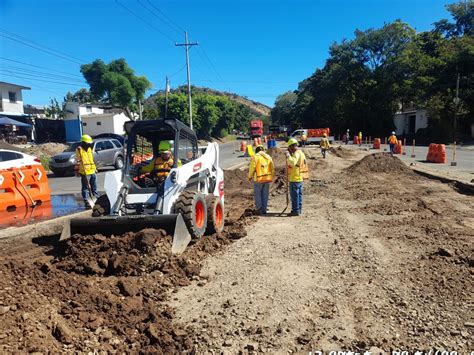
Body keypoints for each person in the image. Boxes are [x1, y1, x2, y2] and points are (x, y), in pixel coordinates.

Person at [248, 145, 274, 215]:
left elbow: (252, 168)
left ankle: (259, 209)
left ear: (256, 151)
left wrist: (250, 176)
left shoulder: (255, 157)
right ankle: (264, 209)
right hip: (267, 179)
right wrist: (271, 176)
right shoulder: (268, 157)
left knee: (258, 194)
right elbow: (272, 168)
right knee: (265, 194)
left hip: (258, 179)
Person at [286, 138, 309, 216]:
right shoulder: (301, 153)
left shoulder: (296, 153)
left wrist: (288, 156)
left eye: (289, 148)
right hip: (299, 177)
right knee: (299, 195)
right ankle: (299, 209)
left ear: (292, 146)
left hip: (295, 177)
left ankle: (295, 210)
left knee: (295, 195)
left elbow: (292, 162)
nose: (289, 150)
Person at [76, 134, 99, 208]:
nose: (89, 145)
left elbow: (91, 159)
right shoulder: (79, 150)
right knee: (85, 188)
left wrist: (95, 169)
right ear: (84, 143)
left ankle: (96, 198)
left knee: (94, 186)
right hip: (85, 172)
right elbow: (78, 160)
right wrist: (78, 170)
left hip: (92, 171)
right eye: (88, 144)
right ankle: (86, 200)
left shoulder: (89, 149)